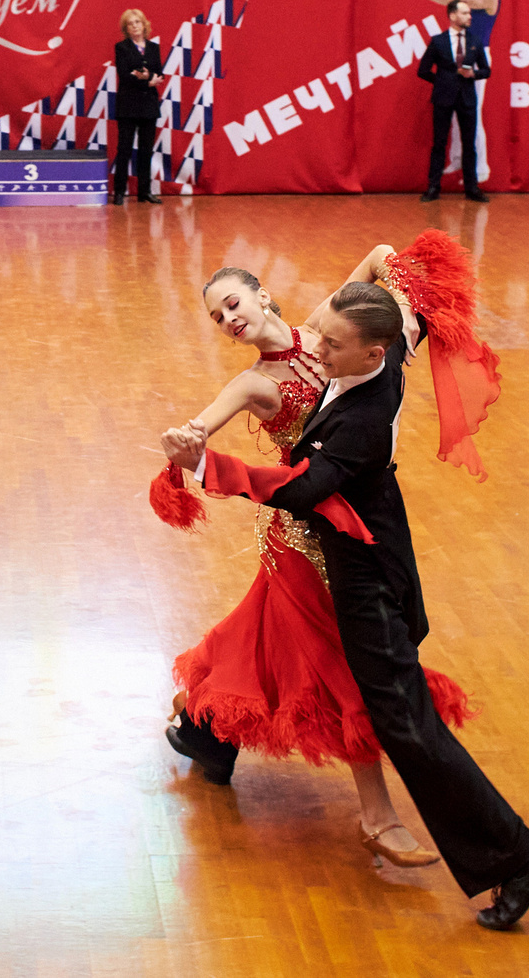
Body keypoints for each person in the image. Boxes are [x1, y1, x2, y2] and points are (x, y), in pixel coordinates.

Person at [166, 279, 529, 933]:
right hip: (366, 566)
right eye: (321, 333)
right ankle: (210, 729)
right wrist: (412, 286)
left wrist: (210, 465)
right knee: (363, 700)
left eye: (333, 342)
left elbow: (306, 487)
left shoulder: (363, 421)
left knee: (404, 726)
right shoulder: (374, 351)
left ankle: (518, 856)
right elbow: (403, 303)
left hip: (365, 583)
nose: (316, 345)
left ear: (374, 353)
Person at [157, 245, 463, 872]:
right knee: (340, 665)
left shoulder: (329, 327)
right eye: (217, 317)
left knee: (260, 640)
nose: (229, 319)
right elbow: (203, 426)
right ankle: (377, 817)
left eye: (234, 303)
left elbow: (378, 258)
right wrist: (188, 440)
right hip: (302, 538)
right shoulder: (252, 382)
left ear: (263, 294)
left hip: (350, 526)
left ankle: (202, 728)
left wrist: (409, 282)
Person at [411, 0, 509, 182]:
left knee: (470, 111)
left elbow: (457, 2)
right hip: (459, 54)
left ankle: (480, 168)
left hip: (476, 56)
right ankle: (457, 158)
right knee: (454, 108)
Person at [418, 0, 491, 202]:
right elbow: (423, 70)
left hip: (467, 98)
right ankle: (433, 188)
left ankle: (472, 188)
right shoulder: (438, 41)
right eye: (465, 13)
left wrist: (473, 75)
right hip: (443, 98)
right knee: (439, 143)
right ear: (452, 15)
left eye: (469, 13)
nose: (469, 16)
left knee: (469, 144)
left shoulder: (475, 41)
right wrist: (441, 82)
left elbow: (486, 70)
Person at [109, 9, 162, 206]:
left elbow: (159, 73)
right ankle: (120, 191)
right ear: (126, 28)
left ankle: (144, 191)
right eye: (130, 23)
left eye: (138, 22)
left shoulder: (154, 47)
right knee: (124, 149)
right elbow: (125, 75)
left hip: (148, 106)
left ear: (144, 24)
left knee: (146, 150)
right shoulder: (121, 48)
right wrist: (147, 81)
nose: (135, 26)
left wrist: (147, 78)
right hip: (128, 105)